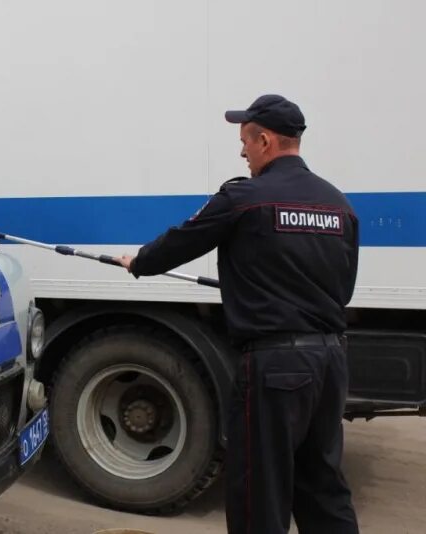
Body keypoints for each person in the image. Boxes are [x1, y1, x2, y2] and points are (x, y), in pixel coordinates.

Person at [117, 94, 360, 534]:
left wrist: (140, 261)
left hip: (275, 368)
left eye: (245, 141)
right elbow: (342, 288)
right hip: (330, 363)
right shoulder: (338, 203)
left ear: (265, 140)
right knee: (323, 487)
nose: (242, 152)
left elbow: (182, 240)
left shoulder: (244, 196)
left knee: (258, 492)